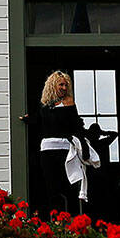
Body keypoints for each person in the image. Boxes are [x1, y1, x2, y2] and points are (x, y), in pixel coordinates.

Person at [37, 70, 85, 218]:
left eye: (66, 85)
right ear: (53, 86)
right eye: (61, 85)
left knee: (69, 186)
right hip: (47, 149)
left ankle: (74, 221)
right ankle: (55, 222)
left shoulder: (69, 102)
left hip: (65, 149)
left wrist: (83, 144)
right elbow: (41, 122)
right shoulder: (45, 105)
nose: (64, 88)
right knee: (52, 188)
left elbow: (75, 125)